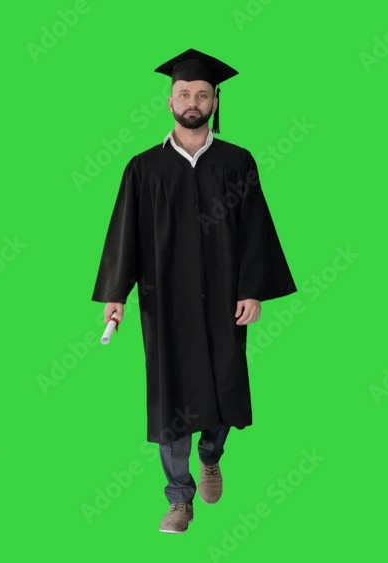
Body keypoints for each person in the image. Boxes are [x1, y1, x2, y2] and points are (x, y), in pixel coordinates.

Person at [91, 48, 297, 534]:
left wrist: (253, 290)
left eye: (202, 94)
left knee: (224, 383)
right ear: (169, 101)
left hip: (226, 300)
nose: (193, 100)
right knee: (171, 395)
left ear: (215, 101)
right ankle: (179, 497)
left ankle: (211, 455)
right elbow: (125, 233)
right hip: (164, 304)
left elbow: (255, 231)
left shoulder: (237, 161)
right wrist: (115, 295)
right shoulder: (144, 168)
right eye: (184, 93)